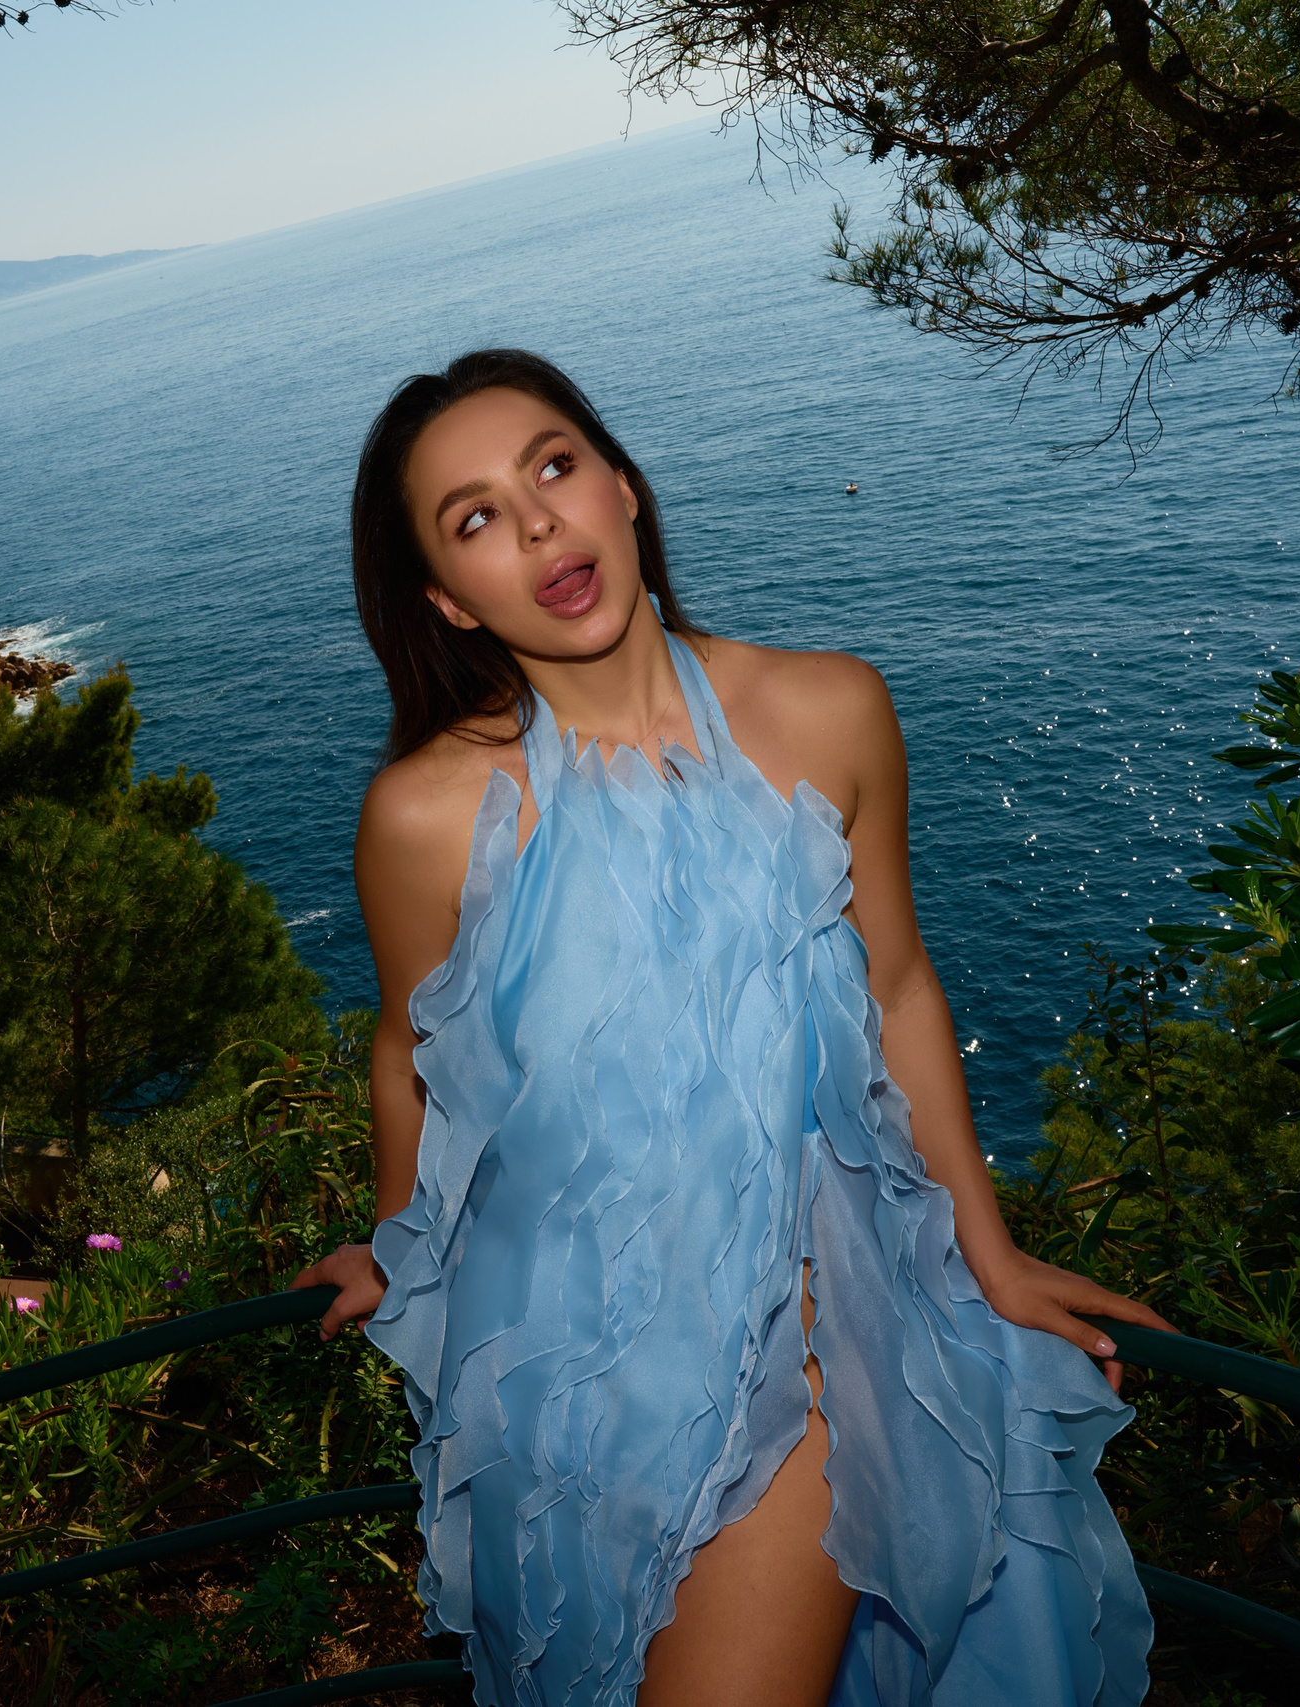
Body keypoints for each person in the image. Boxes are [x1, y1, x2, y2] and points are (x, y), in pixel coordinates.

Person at [291, 350, 1168, 1707]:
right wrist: (398, 1240)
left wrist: (987, 1258)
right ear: (445, 602)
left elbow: (901, 988)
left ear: (624, 490)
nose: (533, 525)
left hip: (811, 1338)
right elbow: (416, 1053)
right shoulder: (421, 819)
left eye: (553, 467)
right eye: (472, 520)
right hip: (561, 1369)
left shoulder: (831, 710)